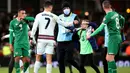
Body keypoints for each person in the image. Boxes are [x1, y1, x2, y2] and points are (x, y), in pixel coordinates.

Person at [30, 1, 78, 73]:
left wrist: (32, 38)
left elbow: (34, 28)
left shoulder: (39, 15)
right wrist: (72, 22)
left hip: (41, 39)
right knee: (49, 60)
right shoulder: (54, 16)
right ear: (50, 7)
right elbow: (64, 24)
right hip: (50, 39)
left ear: (44, 7)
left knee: (38, 57)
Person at [87, 0, 125, 73]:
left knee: (110, 59)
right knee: (108, 58)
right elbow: (123, 18)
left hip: (113, 39)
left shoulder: (107, 16)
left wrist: (90, 35)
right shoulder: (116, 14)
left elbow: (100, 28)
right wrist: (122, 26)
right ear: (110, 6)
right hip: (116, 38)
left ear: (103, 7)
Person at [56, 1, 81, 73]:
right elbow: (56, 29)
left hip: (69, 40)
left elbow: (77, 26)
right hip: (60, 41)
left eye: (67, 8)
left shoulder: (74, 16)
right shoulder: (59, 17)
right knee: (60, 60)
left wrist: (75, 27)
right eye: (64, 8)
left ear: (70, 8)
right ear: (62, 9)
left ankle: (80, 69)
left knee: (69, 59)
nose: (66, 9)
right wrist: (54, 39)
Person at [9, 9, 34, 73]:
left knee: (28, 60)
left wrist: (24, 18)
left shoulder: (26, 20)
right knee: (16, 59)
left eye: (25, 13)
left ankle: (23, 71)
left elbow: (33, 19)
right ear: (18, 13)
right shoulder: (12, 22)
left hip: (26, 43)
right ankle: (18, 71)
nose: (24, 14)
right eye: (22, 13)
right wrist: (10, 44)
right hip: (17, 43)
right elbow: (11, 35)